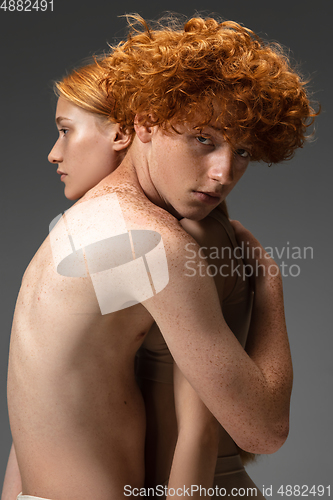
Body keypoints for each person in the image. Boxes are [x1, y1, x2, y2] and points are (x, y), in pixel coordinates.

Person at [1, 14, 317, 500]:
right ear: (145, 121)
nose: (224, 172)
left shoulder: (77, 223)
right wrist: (270, 286)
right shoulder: (153, 246)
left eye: (245, 151)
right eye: (203, 139)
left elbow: (35, 420)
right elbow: (263, 430)